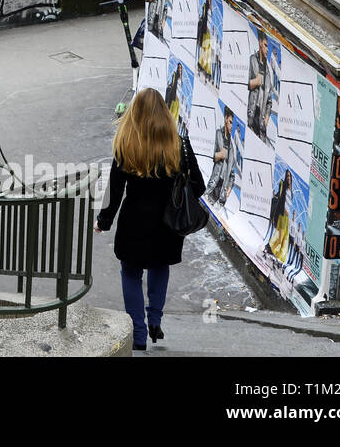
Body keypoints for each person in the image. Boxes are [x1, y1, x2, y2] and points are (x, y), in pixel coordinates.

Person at [95, 87, 204, 351]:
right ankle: (155, 320)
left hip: (134, 223)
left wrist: (103, 221)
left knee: (130, 273)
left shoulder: (126, 144)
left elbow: (115, 190)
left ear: (135, 113)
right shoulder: (178, 145)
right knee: (159, 266)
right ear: (165, 115)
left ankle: (139, 332)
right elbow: (198, 186)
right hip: (167, 225)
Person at [207, 108, 235, 205]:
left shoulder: (232, 148)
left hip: (221, 194)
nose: (231, 126)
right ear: (226, 119)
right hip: (212, 185)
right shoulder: (218, 134)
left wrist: (229, 189)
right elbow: (208, 154)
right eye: (230, 122)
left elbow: (232, 175)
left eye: (233, 124)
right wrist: (219, 155)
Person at [247, 30, 270, 140]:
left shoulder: (268, 71)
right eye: (265, 45)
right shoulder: (252, 59)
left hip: (261, 118)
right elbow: (245, 84)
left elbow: (269, 101)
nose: (267, 49)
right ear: (260, 43)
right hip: (252, 112)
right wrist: (255, 81)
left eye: (268, 47)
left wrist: (266, 119)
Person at [266, 172, 292, 262]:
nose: (288, 178)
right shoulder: (284, 186)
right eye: (287, 176)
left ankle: (269, 248)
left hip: (286, 218)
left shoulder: (290, 190)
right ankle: (269, 248)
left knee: (283, 239)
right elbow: (280, 197)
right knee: (280, 239)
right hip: (282, 216)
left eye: (289, 176)